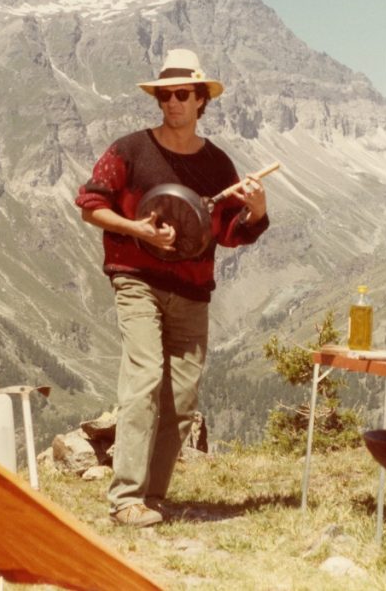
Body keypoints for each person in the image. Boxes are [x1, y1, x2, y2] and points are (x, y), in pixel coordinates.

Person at [75, 49, 270, 526]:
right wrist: (138, 229)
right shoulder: (130, 150)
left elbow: (226, 233)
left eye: (183, 95)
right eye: (165, 95)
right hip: (136, 279)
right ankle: (125, 499)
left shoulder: (217, 164)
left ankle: (152, 498)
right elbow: (89, 204)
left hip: (192, 290)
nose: (173, 103)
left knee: (181, 398)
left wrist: (258, 210)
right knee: (143, 380)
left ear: (201, 100)